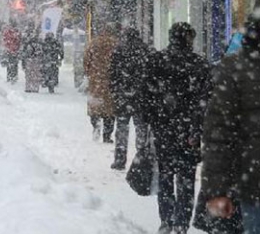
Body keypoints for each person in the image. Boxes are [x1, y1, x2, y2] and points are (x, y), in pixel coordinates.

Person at [142, 23, 211, 234]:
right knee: (186, 180)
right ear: (189, 39)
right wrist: (197, 128)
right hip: (188, 132)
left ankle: (166, 220)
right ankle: (181, 223)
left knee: (165, 175)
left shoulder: (157, 61)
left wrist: (152, 120)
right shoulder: (199, 65)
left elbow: (146, 95)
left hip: (164, 129)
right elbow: (206, 100)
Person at [202, 12, 260, 234]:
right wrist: (218, 189)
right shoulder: (237, 68)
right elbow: (219, 132)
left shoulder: (235, 68)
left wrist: (217, 189)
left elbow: (219, 132)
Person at [108, 28, 150, 170]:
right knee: (141, 129)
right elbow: (149, 75)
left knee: (121, 128)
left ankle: (120, 159)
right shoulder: (145, 51)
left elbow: (112, 74)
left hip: (123, 97)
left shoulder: (119, 51)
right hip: (140, 97)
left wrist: (115, 91)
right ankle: (141, 157)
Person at [84, 25, 118, 143]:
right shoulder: (115, 44)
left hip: (95, 81)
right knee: (110, 110)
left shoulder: (93, 43)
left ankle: (96, 125)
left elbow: (86, 61)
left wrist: (91, 73)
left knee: (95, 106)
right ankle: (107, 135)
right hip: (110, 80)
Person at [22, 28, 44, 93]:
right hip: (36, 59)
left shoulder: (28, 43)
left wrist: (24, 61)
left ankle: (28, 87)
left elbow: (24, 51)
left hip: (29, 59)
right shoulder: (40, 43)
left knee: (29, 74)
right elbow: (42, 52)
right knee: (35, 74)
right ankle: (35, 87)